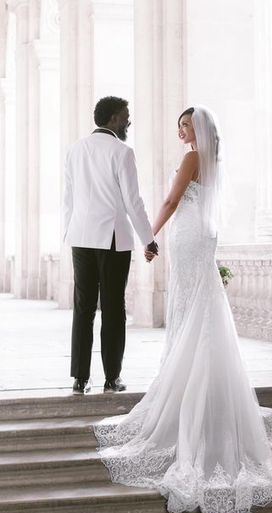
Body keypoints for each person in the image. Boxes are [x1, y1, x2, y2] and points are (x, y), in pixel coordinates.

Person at [94, 106, 272, 513]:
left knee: (191, 307)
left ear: (197, 130)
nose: (180, 131)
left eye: (185, 126)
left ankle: (186, 383)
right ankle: (197, 377)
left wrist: (148, 234)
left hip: (188, 238)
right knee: (199, 306)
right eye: (180, 126)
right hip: (203, 238)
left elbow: (172, 199)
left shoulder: (192, 158)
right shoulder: (213, 160)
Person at [63, 96, 158, 395]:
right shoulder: (122, 152)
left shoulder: (74, 150)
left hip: (80, 236)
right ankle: (111, 378)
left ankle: (80, 378)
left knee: (84, 307)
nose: (129, 122)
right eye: (126, 116)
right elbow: (133, 201)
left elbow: (68, 198)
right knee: (114, 308)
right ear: (114, 119)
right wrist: (149, 239)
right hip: (112, 238)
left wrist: (69, 233)